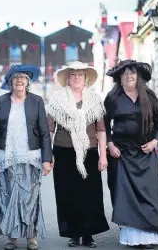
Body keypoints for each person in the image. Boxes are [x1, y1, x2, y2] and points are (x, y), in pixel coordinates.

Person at [104, 60, 158, 249]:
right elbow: (104, 124)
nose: (129, 76)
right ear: (119, 77)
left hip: (145, 151)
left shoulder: (149, 96)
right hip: (121, 153)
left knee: (149, 194)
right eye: (125, 73)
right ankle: (132, 236)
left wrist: (154, 142)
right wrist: (110, 145)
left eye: (132, 73)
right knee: (125, 196)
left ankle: (150, 236)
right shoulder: (112, 97)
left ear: (138, 76)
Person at [46, 61, 109, 248]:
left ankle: (88, 234)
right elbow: (49, 129)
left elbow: (101, 130)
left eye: (80, 75)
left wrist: (103, 155)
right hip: (63, 151)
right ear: (68, 78)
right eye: (73, 75)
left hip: (89, 152)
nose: (76, 78)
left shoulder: (95, 99)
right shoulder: (57, 99)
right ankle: (74, 233)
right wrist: (49, 154)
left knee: (90, 194)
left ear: (85, 78)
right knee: (68, 194)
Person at [0, 65, 52, 250]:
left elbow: (44, 132)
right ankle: (12, 237)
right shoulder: (1, 101)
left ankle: (31, 237)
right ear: (10, 82)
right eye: (15, 78)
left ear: (28, 82)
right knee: (8, 197)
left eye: (22, 78)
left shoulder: (37, 101)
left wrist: (47, 159)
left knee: (29, 198)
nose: (19, 81)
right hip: (7, 157)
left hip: (31, 157)